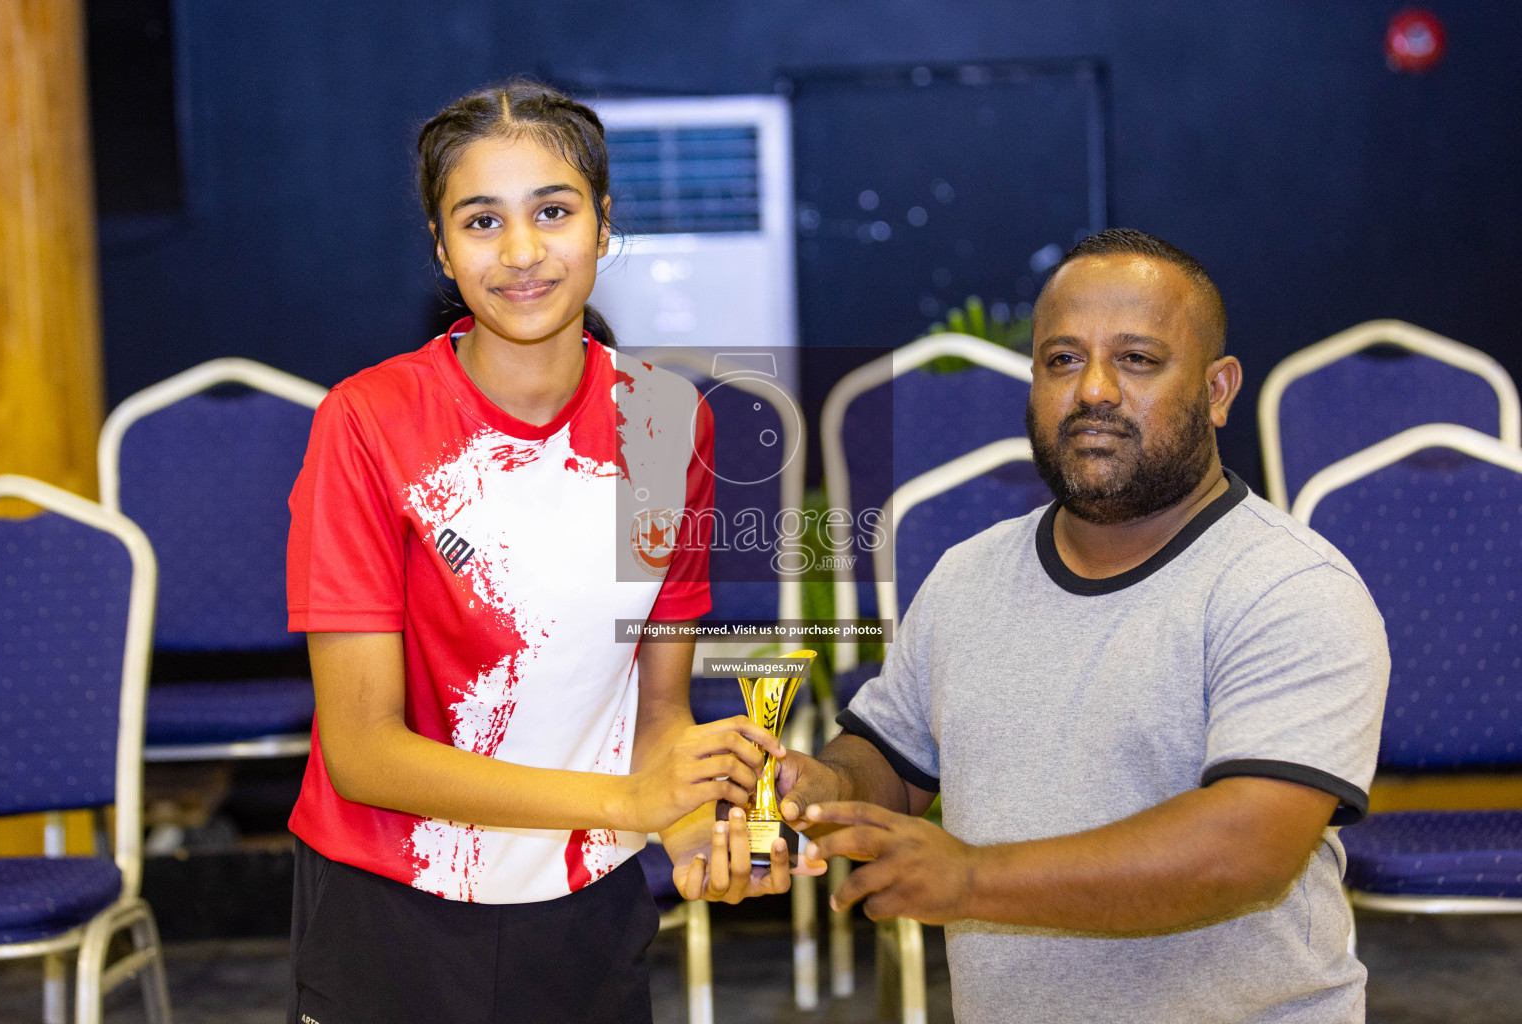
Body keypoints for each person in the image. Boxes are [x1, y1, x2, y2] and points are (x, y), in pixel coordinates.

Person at [778, 228, 1391, 1022]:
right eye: (1062, 359)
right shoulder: (968, 575)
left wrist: (969, 877)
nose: (1094, 390)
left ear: (1217, 390)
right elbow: (890, 760)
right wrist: (823, 791)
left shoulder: (1290, 587)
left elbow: (1245, 851)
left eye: (1136, 359)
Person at [283, 79, 785, 1024]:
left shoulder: (668, 425)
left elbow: (660, 714)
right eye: (481, 221)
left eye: (552, 211)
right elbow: (361, 752)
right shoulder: (366, 422)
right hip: (392, 902)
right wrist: (634, 804)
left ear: (603, 224)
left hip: (585, 903)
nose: (521, 253)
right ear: (441, 246)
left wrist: (696, 827)